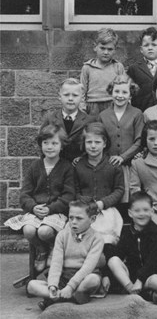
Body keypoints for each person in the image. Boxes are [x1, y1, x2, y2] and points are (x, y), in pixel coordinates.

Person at [5, 123, 74, 273]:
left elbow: (69, 195)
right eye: (46, 143)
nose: (50, 147)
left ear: (61, 146)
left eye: (54, 143)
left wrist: (50, 208)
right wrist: (33, 207)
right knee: (29, 230)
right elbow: (25, 194)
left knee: (44, 232)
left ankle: (53, 249)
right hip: (36, 211)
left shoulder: (66, 167)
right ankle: (42, 250)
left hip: (56, 211)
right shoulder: (35, 167)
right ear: (40, 145)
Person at [27, 199, 105, 310]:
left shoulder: (97, 238)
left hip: (84, 276)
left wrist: (70, 286)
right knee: (31, 286)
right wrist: (52, 285)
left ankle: (56, 299)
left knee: (93, 279)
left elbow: (88, 267)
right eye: (71, 217)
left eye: (79, 218)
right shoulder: (62, 235)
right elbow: (56, 262)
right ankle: (71, 297)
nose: (73, 222)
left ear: (92, 219)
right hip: (64, 275)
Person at [106, 191, 157, 298]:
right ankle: (131, 291)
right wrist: (106, 274)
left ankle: (147, 292)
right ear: (130, 213)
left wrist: (140, 280)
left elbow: (153, 260)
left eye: (146, 210)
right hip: (132, 279)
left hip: (151, 276)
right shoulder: (127, 231)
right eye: (137, 210)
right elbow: (118, 254)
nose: (141, 214)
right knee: (113, 260)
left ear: (152, 211)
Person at [74, 122, 124, 246]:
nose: (93, 146)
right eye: (89, 142)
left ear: (105, 143)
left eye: (97, 142)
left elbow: (119, 190)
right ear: (84, 144)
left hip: (106, 211)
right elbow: (75, 190)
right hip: (84, 211)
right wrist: (86, 203)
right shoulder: (78, 166)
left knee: (105, 240)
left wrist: (102, 203)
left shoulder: (113, 165)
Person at [98, 74, 144, 205]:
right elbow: (100, 139)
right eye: (116, 91)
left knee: (128, 197)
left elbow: (140, 141)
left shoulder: (137, 114)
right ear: (111, 92)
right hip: (109, 164)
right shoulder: (103, 115)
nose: (120, 95)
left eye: (124, 92)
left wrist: (123, 157)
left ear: (130, 95)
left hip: (128, 165)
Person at [41, 78, 95, 162]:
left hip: (79, 167)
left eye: (75, 95)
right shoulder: (50, 118)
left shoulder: (89, 121)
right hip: (57, 166)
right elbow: (41, 141)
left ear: (82, 97)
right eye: (66, 95)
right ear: (59, 96)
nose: (70, 98)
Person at [127, 26, 157, 112]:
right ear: (141, 49)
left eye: (154, 45)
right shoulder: (133, 69)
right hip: (141, 111)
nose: (150, 48)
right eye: (146, 45)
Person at [80, 28, 125, 116]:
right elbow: (82, 91)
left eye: (110, 49)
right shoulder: (87, 67)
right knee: (94, 129)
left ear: (115, 50)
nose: (106, 52)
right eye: (102, 48)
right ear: (95, 47)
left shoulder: (118, 67)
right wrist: (82, 108)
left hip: (112, 104)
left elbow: (124, 88)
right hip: (93, 106)